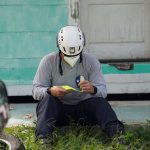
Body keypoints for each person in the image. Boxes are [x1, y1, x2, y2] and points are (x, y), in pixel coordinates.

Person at [32, 25, 124, 142]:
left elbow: (103, 91)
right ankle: (43, 140)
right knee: (48, 100)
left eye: (76, 54)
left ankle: (118, 137)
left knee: (101, 103)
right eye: (67, 55)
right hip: (58, 112)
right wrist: (50, 90)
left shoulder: (91, 61)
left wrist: (93, 89)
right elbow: (35, 91)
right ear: (59, 48)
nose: (71, 58)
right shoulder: (48, 61)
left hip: (83, 110)